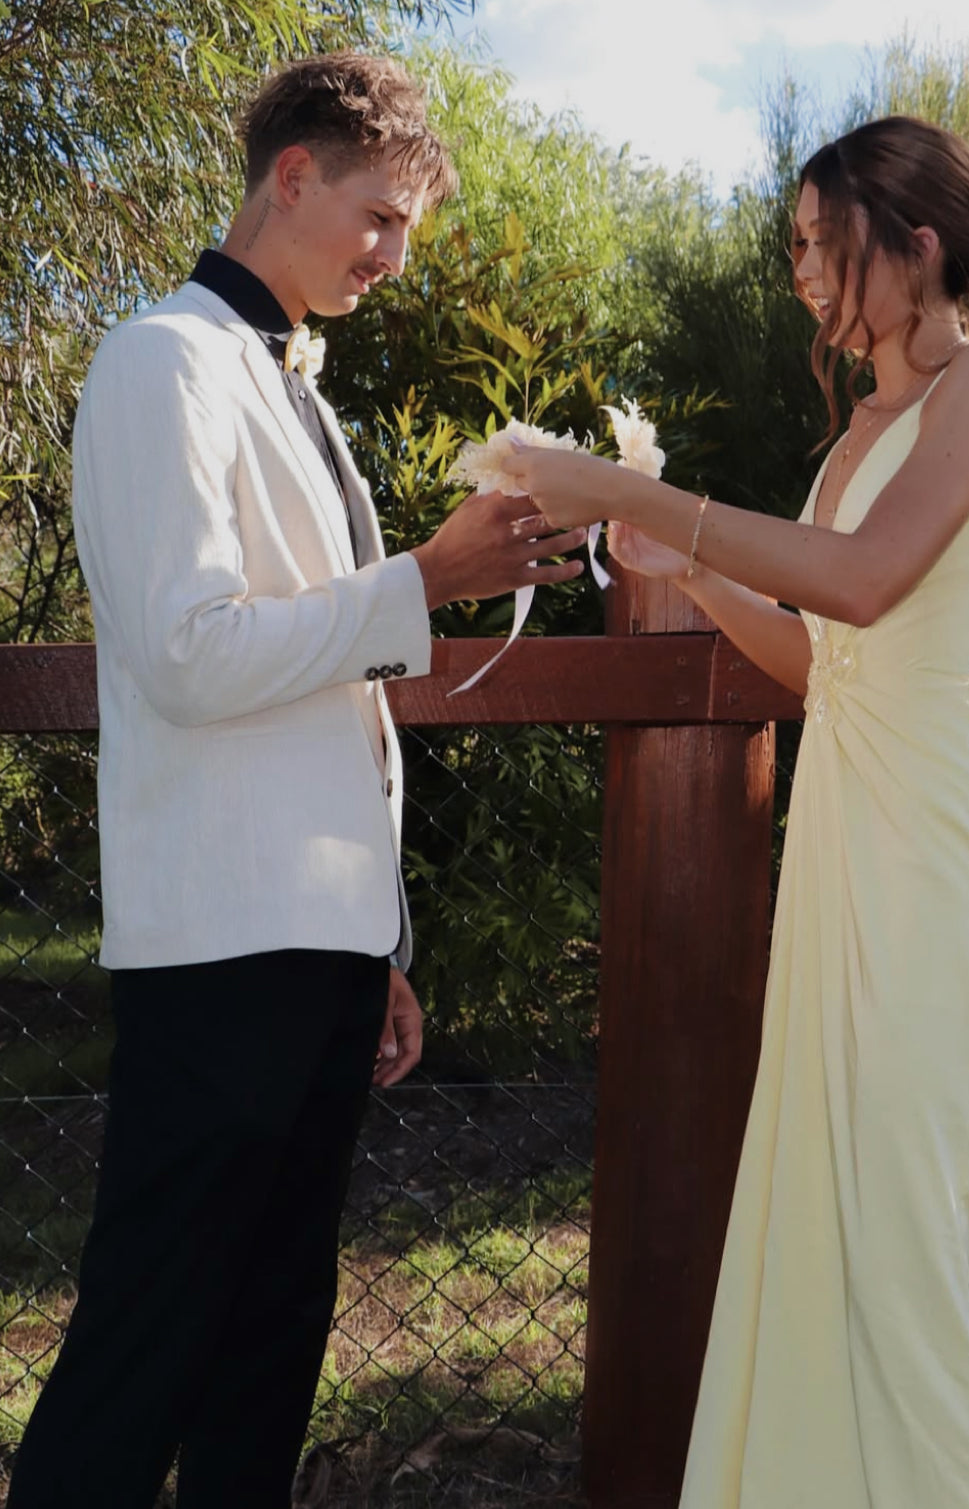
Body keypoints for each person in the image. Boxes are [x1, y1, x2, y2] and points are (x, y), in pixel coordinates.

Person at [6, 51, 585, 1509]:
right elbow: (191, 655)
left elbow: (330, 700)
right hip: (215, 947)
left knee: (273, 1347)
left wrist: (379, 944)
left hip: (315, 946)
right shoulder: (160, 360)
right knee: (147, 1341)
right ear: (293, 176)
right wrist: (424, 575)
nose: (392, 257)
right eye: (380, 218)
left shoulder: (297, 391)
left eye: (408, 233)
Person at [502, 115, 969, 1508]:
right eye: (794, 244)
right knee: (820, 1218)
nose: (802, 271)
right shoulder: (852, 433)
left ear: (915, 245)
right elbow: (822, 661)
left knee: (900, 1233)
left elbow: (865, 582)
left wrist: (640, 492)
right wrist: (677, 570)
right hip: (849, 823)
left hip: (938, 837)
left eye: (826, 242)